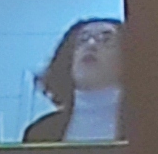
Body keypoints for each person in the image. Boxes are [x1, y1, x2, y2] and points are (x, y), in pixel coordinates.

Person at [18, 16, 123, 145]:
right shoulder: (40, 132)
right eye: (82, 40)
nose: (91, 45)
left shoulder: (144, 123)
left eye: (106, 40)